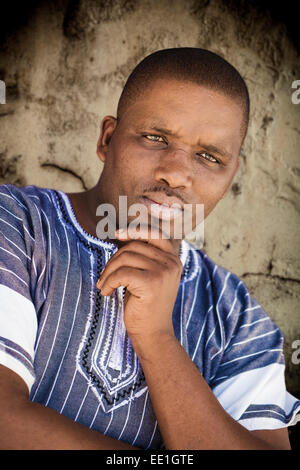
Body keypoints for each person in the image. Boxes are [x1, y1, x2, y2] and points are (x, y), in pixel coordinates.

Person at [0, 48, 299, 450]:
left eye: (209, 157)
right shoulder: (18, 224)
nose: (175, 173)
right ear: (108, 139)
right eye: (155, 137)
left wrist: (157, 339)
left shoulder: (237, 317)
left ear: (230, 175)